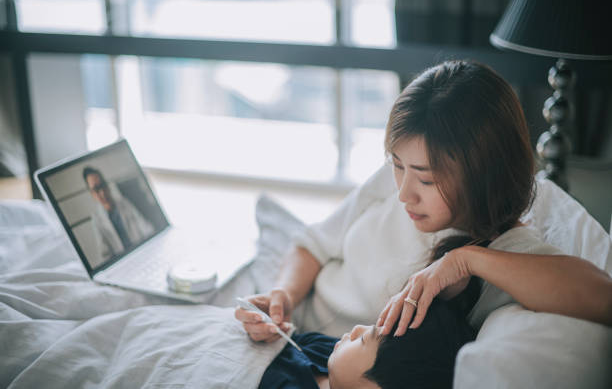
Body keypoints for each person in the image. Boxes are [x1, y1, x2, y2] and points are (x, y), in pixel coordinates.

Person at [235, 60, 612, 373]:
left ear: (483, 174)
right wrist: (282, 293)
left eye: (426, 179)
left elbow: (602, 298)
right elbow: (313, 244)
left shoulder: (505, 252)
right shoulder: (398, 177)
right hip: (285, 334)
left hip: (330, 362)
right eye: (397, 165)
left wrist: (465, 259)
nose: (403, 193)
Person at [259, 278, 480, 389]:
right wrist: (265, 326)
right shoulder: (324, 350)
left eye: (365, 339)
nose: (356, 329)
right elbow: (286, 340)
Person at [83, 166, 154, 259]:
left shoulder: (125, 203)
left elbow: (145, 227)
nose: (102, 192)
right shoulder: (96, 219)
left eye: (102, 185)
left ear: (107, 185)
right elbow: (105, 254)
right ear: (92, 194)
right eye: (96, 189)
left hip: (142, 252)